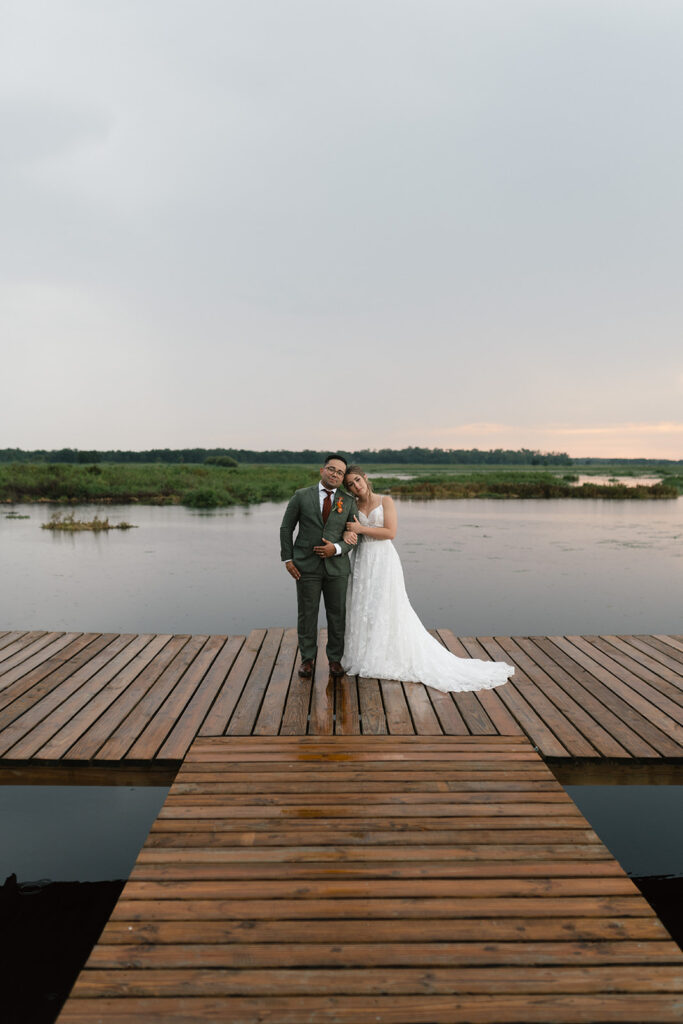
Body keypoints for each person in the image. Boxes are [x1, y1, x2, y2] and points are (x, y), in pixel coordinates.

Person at [342, 465, 514, 692]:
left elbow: (390, 533)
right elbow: (348, 529)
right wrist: (349, 532)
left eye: (357, 480)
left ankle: (387, 653)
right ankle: (364, 653)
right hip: (362, 559)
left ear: (365, 478)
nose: (355, 486)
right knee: (362, 604)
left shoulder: (386, 502)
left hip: (382, 558)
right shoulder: (351, 505)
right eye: (350, 485)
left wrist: (360, 528)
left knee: (387, 605)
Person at [280, 454, 361, 679]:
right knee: (307, 614)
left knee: (337, 615)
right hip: (305, 567)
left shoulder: (349, 501)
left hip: (337, 569)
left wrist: (335, 548)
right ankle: (307, 660)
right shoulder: (301, 496)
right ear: (321, 470)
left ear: (343, 477)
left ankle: (335, 660)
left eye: (340, 472)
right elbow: (286, 528)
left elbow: (354, 536)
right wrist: (288, 559)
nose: (335, 474)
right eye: (331, 469)